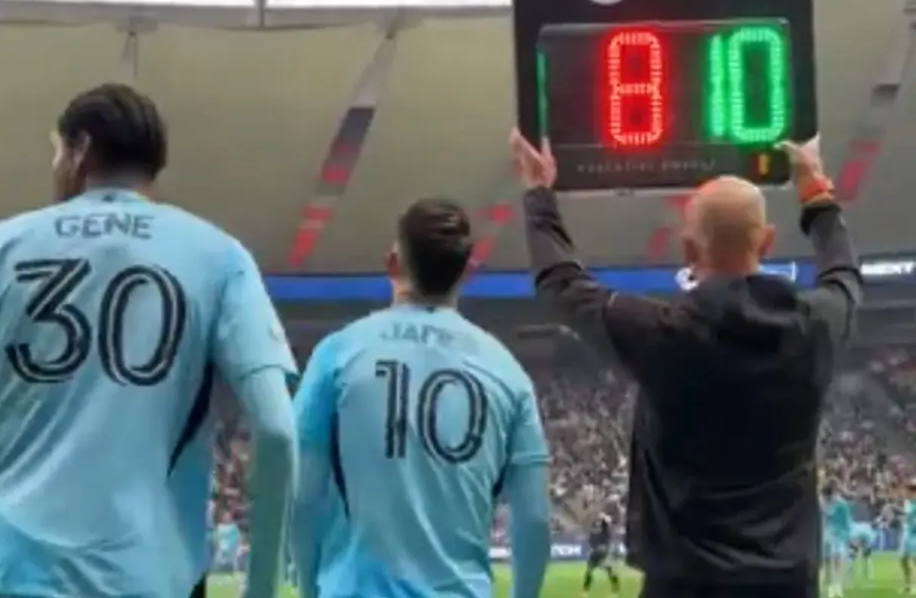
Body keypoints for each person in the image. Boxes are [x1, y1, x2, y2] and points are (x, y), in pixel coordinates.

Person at [0, 83, 299, 598]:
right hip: (148, 576)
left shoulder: (2, 247)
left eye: (57, 151)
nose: (56, 165)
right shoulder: (219, 256)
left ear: (81, 150)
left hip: (10, 574)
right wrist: (262, 588)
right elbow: (277, 430)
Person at [509, 130, 862, 598]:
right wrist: (815, 192)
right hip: (786, 582)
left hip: (683, 582)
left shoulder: (662, 334)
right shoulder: (814, 326)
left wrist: (539, 194)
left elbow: (561, 283)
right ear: (767, 242)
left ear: (690, 251)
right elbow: (844, 275)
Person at [290, 198, 552, 598]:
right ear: (468, 272)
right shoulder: (508, 374)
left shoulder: (338, 354)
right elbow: (533, 519)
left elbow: (301, 495)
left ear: (392, 262)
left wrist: (310, 587)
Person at [820, 483, 852, 597]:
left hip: (837, 535)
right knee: (830, 562)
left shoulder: (840, 503)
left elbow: (847, 520)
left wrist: (847, 534)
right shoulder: (826, 502)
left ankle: (836, 586)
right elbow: (828, 516)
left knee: (836, 561)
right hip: (830, 535)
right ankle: (832, 587)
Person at [582, 511, 621, 598]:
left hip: (603, 553)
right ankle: (585, 592)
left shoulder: (606, 531)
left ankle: (615, 590)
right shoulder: (596, 533)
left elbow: (605, 523)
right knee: (590, 571)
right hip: (597, 553)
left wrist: (603, 516)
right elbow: (591, 542)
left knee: (609, 570)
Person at [846, 518, 876, 585]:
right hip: (867, 535)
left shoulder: (852, 528)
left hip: (859, 535)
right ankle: (868, 576)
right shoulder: (868, 529)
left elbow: (851, 540)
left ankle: (850, 577)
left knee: (852, 557)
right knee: (866, 558)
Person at [902, 479, 916, 594]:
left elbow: (908, 517)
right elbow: (907, 517)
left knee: (914, 559)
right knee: (903, 559)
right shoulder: (907, 502)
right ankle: (908, 584)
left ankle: (913, 586)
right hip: (907, 532)